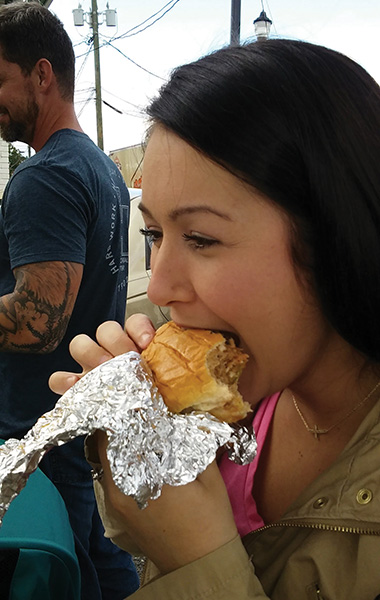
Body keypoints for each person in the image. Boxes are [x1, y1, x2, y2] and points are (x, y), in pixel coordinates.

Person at [50, 38, 380, 599]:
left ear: (336, 238)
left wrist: (201, 561)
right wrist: (135, 445)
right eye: (155, 234)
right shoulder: (237, 402)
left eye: (201, 238)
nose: (158, 287)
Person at [0, 2, 139, 599]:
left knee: (62, 576)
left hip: (42, 431)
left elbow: (37, 324)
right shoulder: (101, 170)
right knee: (103, 564)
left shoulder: (45, 176)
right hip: (83, 422)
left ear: (41, 74)